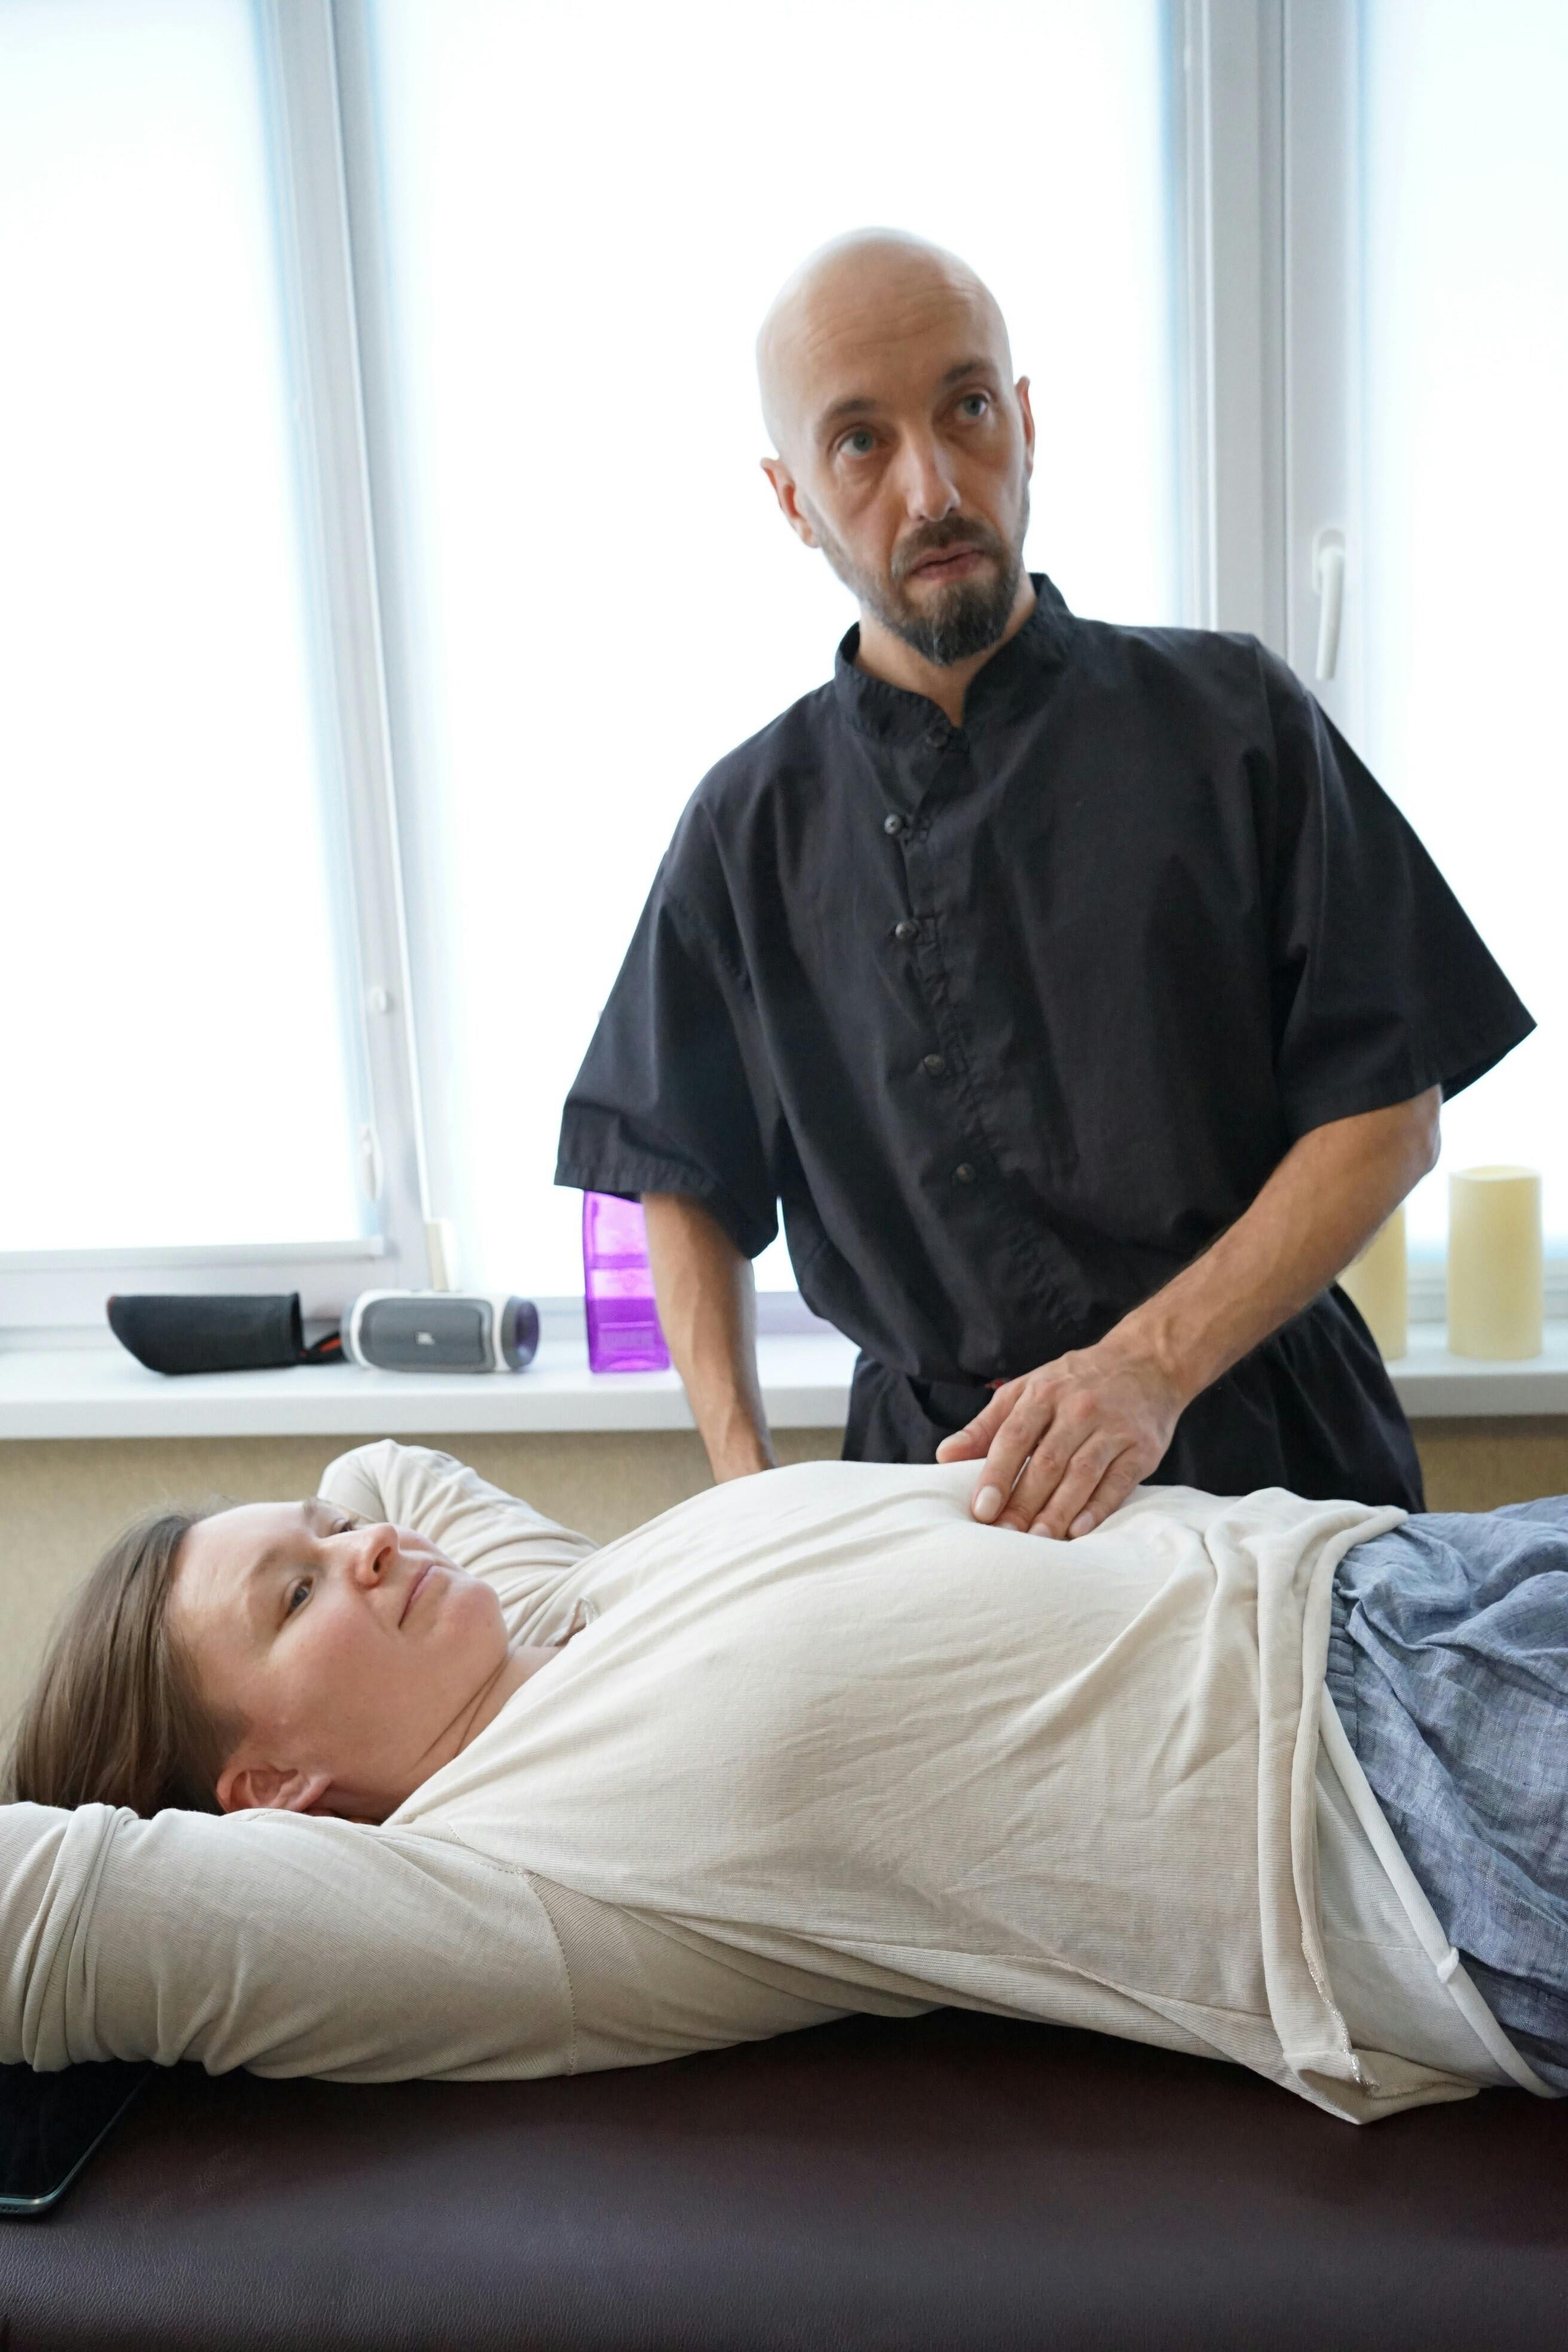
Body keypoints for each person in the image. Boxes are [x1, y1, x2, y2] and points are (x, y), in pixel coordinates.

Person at [555, 229, 1533, 1541]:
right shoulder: (745, 829)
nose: (933, 488)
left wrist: (1150, 1366)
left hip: (1271, 1466)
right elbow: (674, 1164)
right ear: (790, 499)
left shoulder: (1233, 720)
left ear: (1022, 421)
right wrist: (747, 1493)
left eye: (965, 410)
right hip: (935, 1504)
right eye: (859, 442)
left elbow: (1389, 1112)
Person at [2, 1442, 1562, 2120]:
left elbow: (385, 1474)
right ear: (265, 1799)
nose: (364, 1549)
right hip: (1420, 1799)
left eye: (317, 1540)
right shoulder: (501, 1891)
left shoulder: (568, 1605)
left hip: (1427, 1570)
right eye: (296, 1596)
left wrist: (301, 1562)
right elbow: (57, 1906)